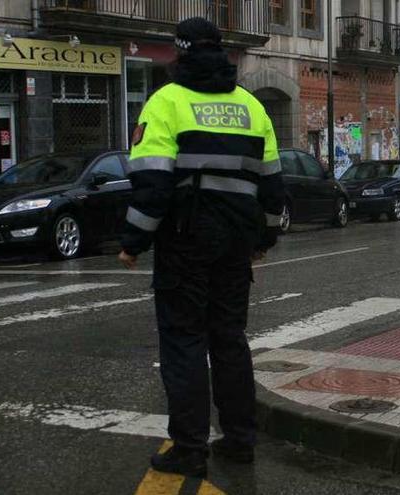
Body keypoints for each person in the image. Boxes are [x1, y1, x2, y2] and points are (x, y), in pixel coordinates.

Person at [118, 17, 285, 477]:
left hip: (184, 243)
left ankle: (190, 447)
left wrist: (134, 241)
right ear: (222, 51)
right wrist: (265, 238)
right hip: (235, 246)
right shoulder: (252, 106)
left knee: (184, 342)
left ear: (181, 51)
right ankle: (240, 440)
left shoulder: (167, 101)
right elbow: (273, 186)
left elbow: (152, 182)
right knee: (229, 340)